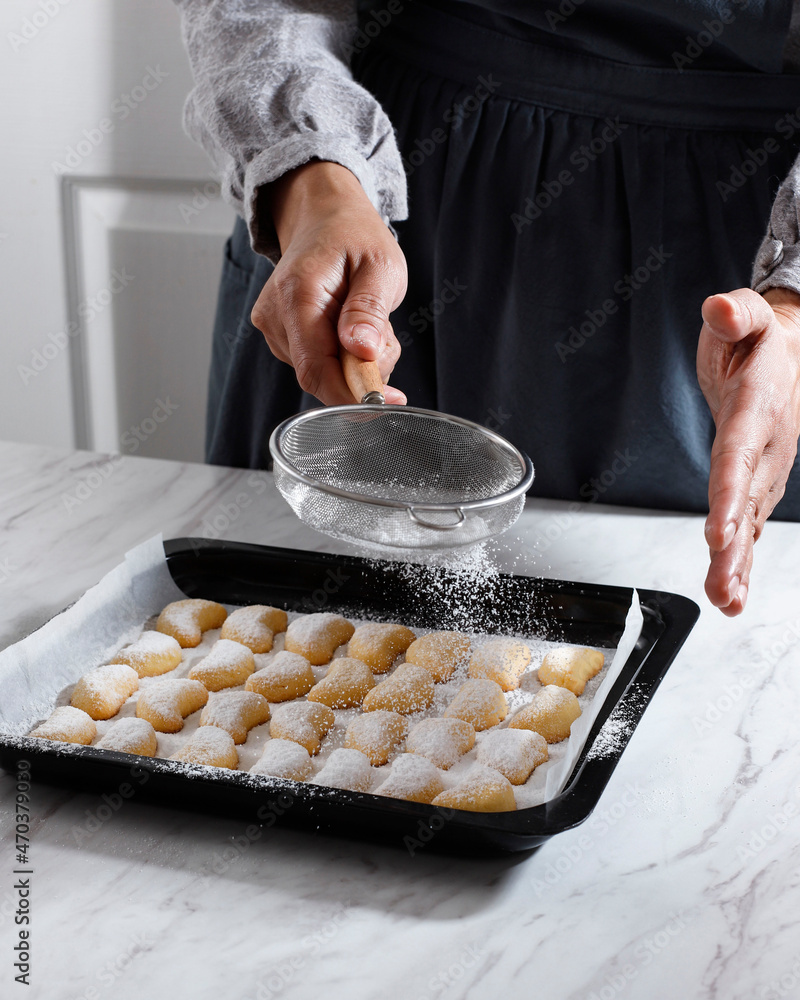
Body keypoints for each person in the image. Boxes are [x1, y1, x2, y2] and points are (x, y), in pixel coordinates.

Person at [174, 0, 800, 616]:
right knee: (287, 608)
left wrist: (792, 306)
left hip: (739, 235)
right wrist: (310, 177)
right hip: (382, 183)